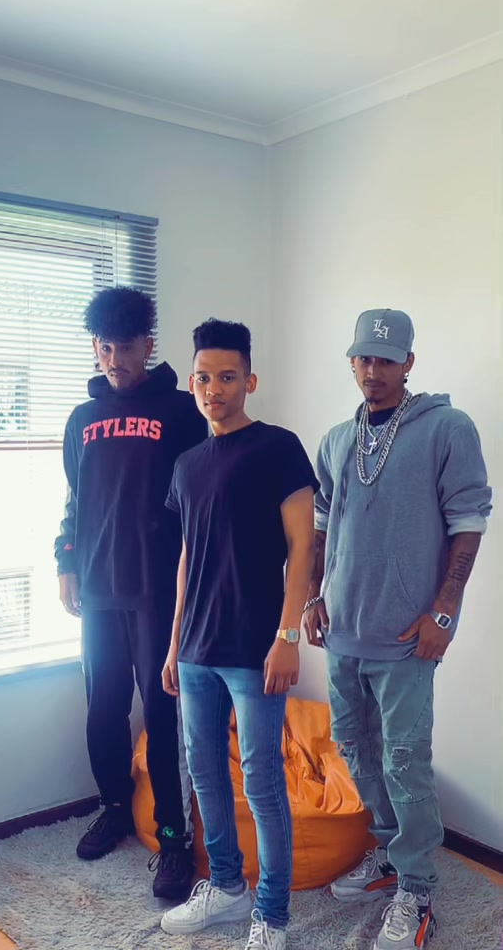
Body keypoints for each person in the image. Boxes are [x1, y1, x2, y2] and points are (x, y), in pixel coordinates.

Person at [302, 309, 492, 950]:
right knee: (355, 749)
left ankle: (417, 886)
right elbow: (321, 523)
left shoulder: (447, 428)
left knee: (405, 760)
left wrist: (444, 612)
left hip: (408, 636)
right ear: (351, 361)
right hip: (343, 631)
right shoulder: (337, 439)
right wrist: (312, 597)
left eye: (386, 359)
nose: (373, 370)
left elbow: (469, 521)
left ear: (408, 362)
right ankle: (389, 853)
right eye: (363, 358)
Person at [159, 319, 319, 949]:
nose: (214, 389)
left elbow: (303, 547)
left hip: (256, 646)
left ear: (249, 381)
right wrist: (174, 643)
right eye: (203, 378)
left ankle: (272, 915)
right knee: (203, 772)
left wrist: (288, 636)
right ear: (191, 382)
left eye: (227, 377)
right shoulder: (186, 464)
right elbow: (186, 559)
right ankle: (227, 887)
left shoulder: (278, 447)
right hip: (196, 650)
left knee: (262, 782)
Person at [54, 286, 207, 899]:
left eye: (125, 347)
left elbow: (202, 502)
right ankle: (116, 806)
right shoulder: (81, 420)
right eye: (105, 348)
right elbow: (75, 499)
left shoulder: (182, 412)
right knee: (103, 709)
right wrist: (65, 560)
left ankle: (174, 838)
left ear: (148, 345)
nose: (115, 359)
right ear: (97, 349)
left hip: (158, 593)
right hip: (98, 591)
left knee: (164, 714)